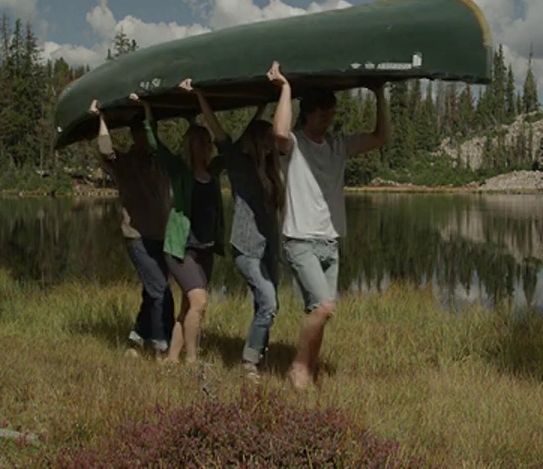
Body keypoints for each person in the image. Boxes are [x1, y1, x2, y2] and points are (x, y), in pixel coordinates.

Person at [269, 61, 389, 390]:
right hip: (299, 240)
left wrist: (379, 95)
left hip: (329, 241)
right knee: (323, 307)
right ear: (308, 114)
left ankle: (308, 369)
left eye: (332, 115)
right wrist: (286, 89)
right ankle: (299, 367)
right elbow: (279, 132)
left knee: (322, 312)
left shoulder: (337, 146)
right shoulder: (293, 146)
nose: (328, 120)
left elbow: (381, 136)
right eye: (323, 115)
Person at [179, 77, 283, 383]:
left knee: (265, 305)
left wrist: (265, 104)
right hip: (246, 249)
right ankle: (249, 362)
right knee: (269, 301)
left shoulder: (272, 170)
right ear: (256, 141)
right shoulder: (239, 164)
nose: (270, 145)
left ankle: (258, 355)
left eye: (271, 141)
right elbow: (220, 133)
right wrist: (200, 97)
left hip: (270, 249)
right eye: (266, 140)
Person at [128, 93, 225, 365]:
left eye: (209, 143)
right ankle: (192, 359)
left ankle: (172, 358)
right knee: (199, 302)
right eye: (203, 144)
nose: (208, 148)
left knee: (186, 308)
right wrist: (147, 110)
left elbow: (230, 144)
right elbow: (156, 146)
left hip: (205, 249)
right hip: (181, 249)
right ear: (192, 147)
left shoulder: (215, 171)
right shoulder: (181, 172)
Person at [90, 99, 174, 358]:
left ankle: (136, 338)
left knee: (155, 291)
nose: (147, 138)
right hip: (136, 237)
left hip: (161, 235)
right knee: (160, 291)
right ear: (135, 136)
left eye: (149, 132)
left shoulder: (160, 160)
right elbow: (106, 151)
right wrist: (100, 118)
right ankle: (160, 347)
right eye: (142, 133)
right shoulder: (125, 163)